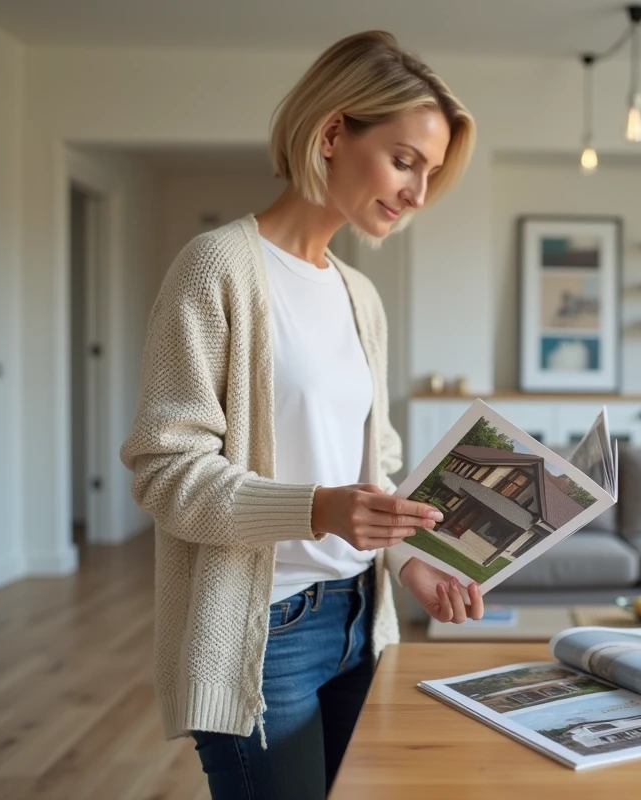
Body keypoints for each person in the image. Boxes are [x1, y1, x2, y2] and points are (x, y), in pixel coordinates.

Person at [119, 31, 483, 799]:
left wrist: (408, 559)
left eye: (431, 173)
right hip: (265, 636)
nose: (418, 193)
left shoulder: (360, 295)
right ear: (330, 134)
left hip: (361, 618)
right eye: (405, 161)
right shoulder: (217, 268)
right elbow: (164, 471)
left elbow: (372, 462)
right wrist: (315, 509)